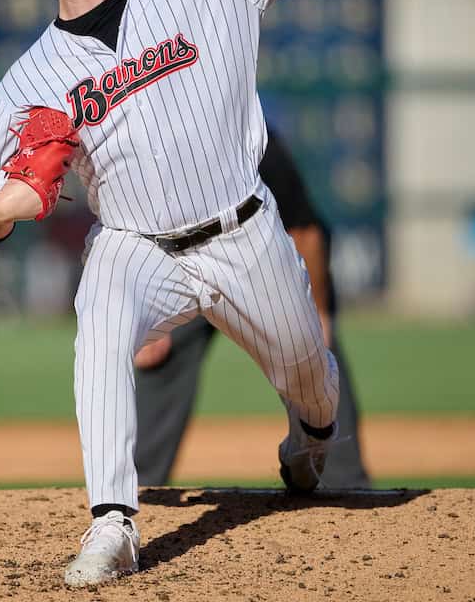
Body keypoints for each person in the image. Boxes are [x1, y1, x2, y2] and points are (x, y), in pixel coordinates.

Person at [0, 0, 340, 587]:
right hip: (136, 245)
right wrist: (2, 209)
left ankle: (309, 441)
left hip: (243, 232)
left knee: (312, 382)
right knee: (98, 322)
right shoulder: (31, 77)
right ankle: (113, 524)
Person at [133, 125, 370, 489]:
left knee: (317, 358)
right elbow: (126, 231)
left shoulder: (253, 141)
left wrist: (319, 317)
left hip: (267, 265)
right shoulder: (154, 151)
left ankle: (341, 480)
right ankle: (139, 486)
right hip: (187, 266)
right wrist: (144, 316)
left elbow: (304, 232)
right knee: (158, 352)